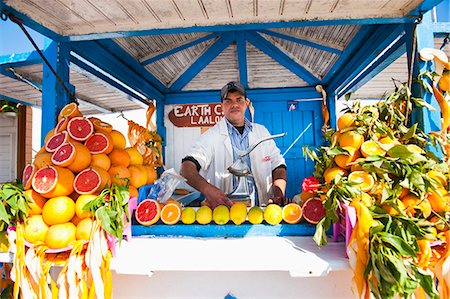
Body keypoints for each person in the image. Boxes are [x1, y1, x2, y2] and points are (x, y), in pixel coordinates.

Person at [180, 81, 287, 209]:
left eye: (239, 99)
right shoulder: (211, 136)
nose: (234, 104)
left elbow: (278, 165)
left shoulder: (261, 132)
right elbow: (186, 168)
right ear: (221, 106)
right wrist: (208, 190)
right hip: (224, 216)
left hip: (263, 212)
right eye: (228, 101)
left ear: (246, 103)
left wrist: (278, 194)